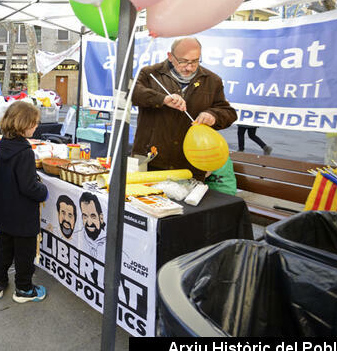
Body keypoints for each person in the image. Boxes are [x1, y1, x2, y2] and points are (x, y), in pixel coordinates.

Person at [132, 37, 237, 181]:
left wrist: (213, 115)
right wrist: (162, 99)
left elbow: (228, 112)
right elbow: (132, 94)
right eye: (183, 61)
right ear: (170, 56)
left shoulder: (212, 80)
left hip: (190, 165)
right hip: (151, 161)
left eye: (195, 61)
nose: (189, 67)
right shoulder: (150, 73)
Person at [0, 100, 48, 303]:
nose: (37, 126)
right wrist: (43, 191)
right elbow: (29, 187)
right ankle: (23, 289)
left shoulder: (3, 145)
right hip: (21, 214)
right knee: (24, 253)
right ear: (23, 124)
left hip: (4, 210)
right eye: (34, 123)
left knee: (4, 248)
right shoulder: (25, 152)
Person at [79, 192, 106, 259]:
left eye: (93, 216)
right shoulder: (76, 235)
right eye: (85, 216)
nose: (89, 223)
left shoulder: (112, 247)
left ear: (101, 218)